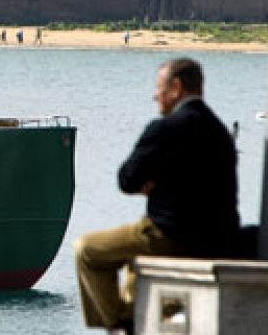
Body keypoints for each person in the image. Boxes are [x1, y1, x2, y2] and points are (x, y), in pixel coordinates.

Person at [74, 58, 239, 333]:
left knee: (87, 250)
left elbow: (126, 179)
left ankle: (118, 322)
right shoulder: (220, 132)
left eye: (159, 88)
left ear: (176, 87)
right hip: (217, 239)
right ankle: (133, 313)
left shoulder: (165, 128)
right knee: (131, 265)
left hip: (170, 234)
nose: (155, 96)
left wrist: (153, 182)